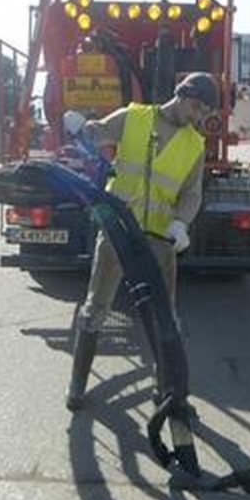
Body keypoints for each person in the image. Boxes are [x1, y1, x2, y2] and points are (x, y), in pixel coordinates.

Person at [66, 72, 218, 411]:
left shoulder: (194, 144)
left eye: (203, 113)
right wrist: (80, 126)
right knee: (96, 308)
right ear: (182, 94)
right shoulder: (134, 117)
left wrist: (181, 223)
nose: (197, 116)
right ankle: (76, 387)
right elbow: (98, 133)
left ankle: (166, 391)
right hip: (119, 231)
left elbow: (192, 193)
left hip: (161, 239)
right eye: (195, 107)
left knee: (165, 317)